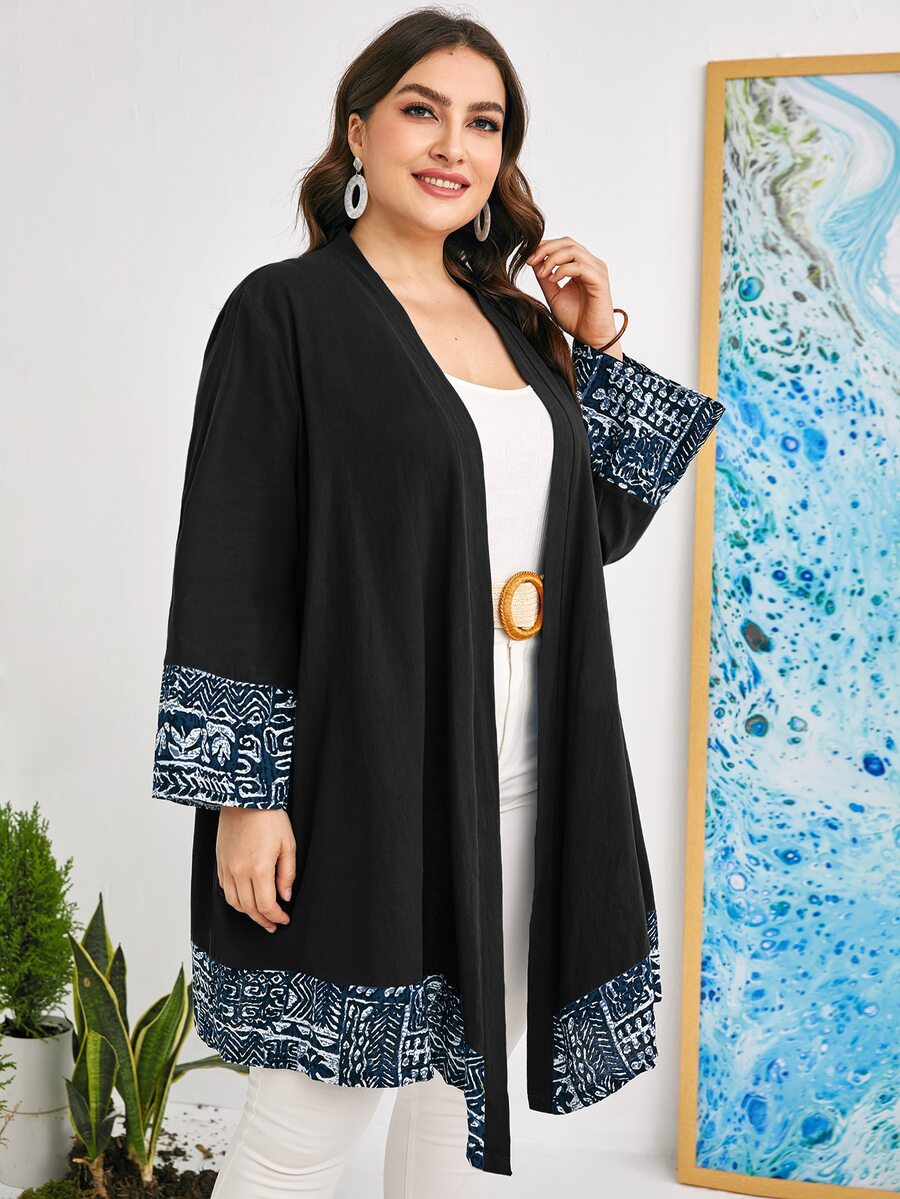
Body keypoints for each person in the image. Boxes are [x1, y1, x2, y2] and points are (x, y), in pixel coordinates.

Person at [152, 9, 725, 1196]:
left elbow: (592, 536)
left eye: (485, 122)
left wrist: (593, 349)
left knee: (451, 1103)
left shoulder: (515, 325)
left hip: (527, 782)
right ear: (358, 129)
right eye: (423, 109)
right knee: (305, 1129)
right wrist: (242, 797)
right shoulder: (286, 313)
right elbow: (231, 561)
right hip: (363, 785)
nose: (454, 145)